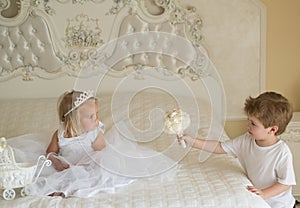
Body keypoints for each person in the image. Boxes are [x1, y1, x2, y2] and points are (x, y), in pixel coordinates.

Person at [17, 90, 177, 198]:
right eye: (91, 117)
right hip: (67, 166)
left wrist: (85, 165)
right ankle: (56, 188)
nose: (97, 119)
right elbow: (50, 153)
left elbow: (102, 154)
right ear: (74, 120)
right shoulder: (60, 134)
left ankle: (69, 188)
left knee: (94, 175)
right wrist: (58, 163)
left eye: (96, 115)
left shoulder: (94, 132)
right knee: (51, 175)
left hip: (88, 165)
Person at [178, 91, 296, 208]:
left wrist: (264, 193)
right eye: (248, 120)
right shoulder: (246, 140)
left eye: (253, 124)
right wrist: (193, 142)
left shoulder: (281, 152)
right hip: (260, 200)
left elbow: (285, 183)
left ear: (272, 130)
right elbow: (219, 147)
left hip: (280, 204)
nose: (248, 125)